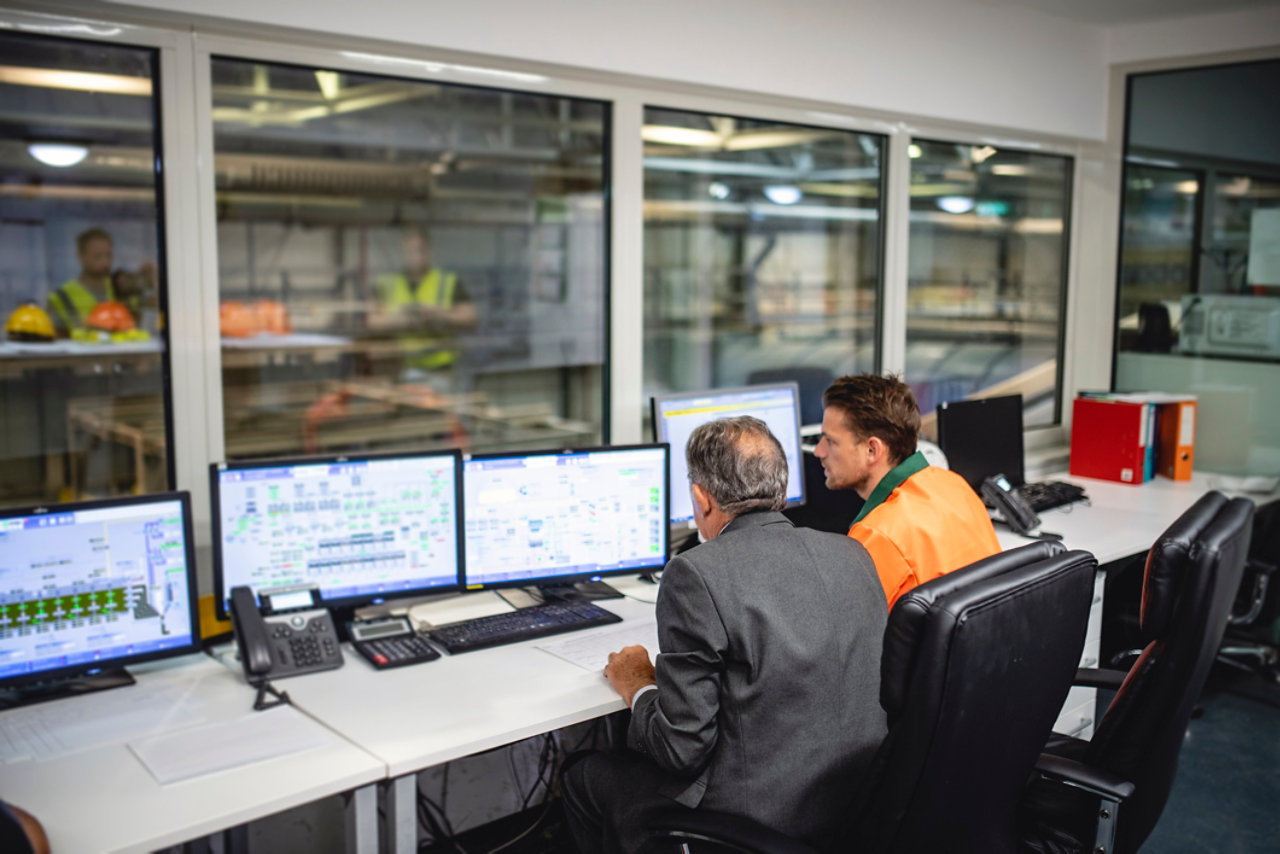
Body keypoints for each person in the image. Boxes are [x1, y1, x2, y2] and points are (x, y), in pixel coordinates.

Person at [561, 416, 888, 853]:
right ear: (779, 486)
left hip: (752, 822)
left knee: (583, 774)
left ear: (702, 498)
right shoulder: (852, 552)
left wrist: (638, 684)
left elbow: (681, 750)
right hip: (856, 807)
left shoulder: (696, 573)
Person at [815, 372, 1001, 609]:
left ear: (872, 450)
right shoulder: (955, 485)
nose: (819, 451)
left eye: (830, 441)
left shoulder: (877, 536)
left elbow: (844, 631)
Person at [368, 227, 477, 390]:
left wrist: (438, 314)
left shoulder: (447, 281)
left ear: (429, 251)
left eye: (420, 250)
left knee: (442, 413)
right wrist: (405, 318)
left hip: (441, 371)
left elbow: (470, 318)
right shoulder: (388, 284)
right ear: (403, 252)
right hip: (405, 368)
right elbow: (372, 321)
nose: (416, 256)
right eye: (411, 251)